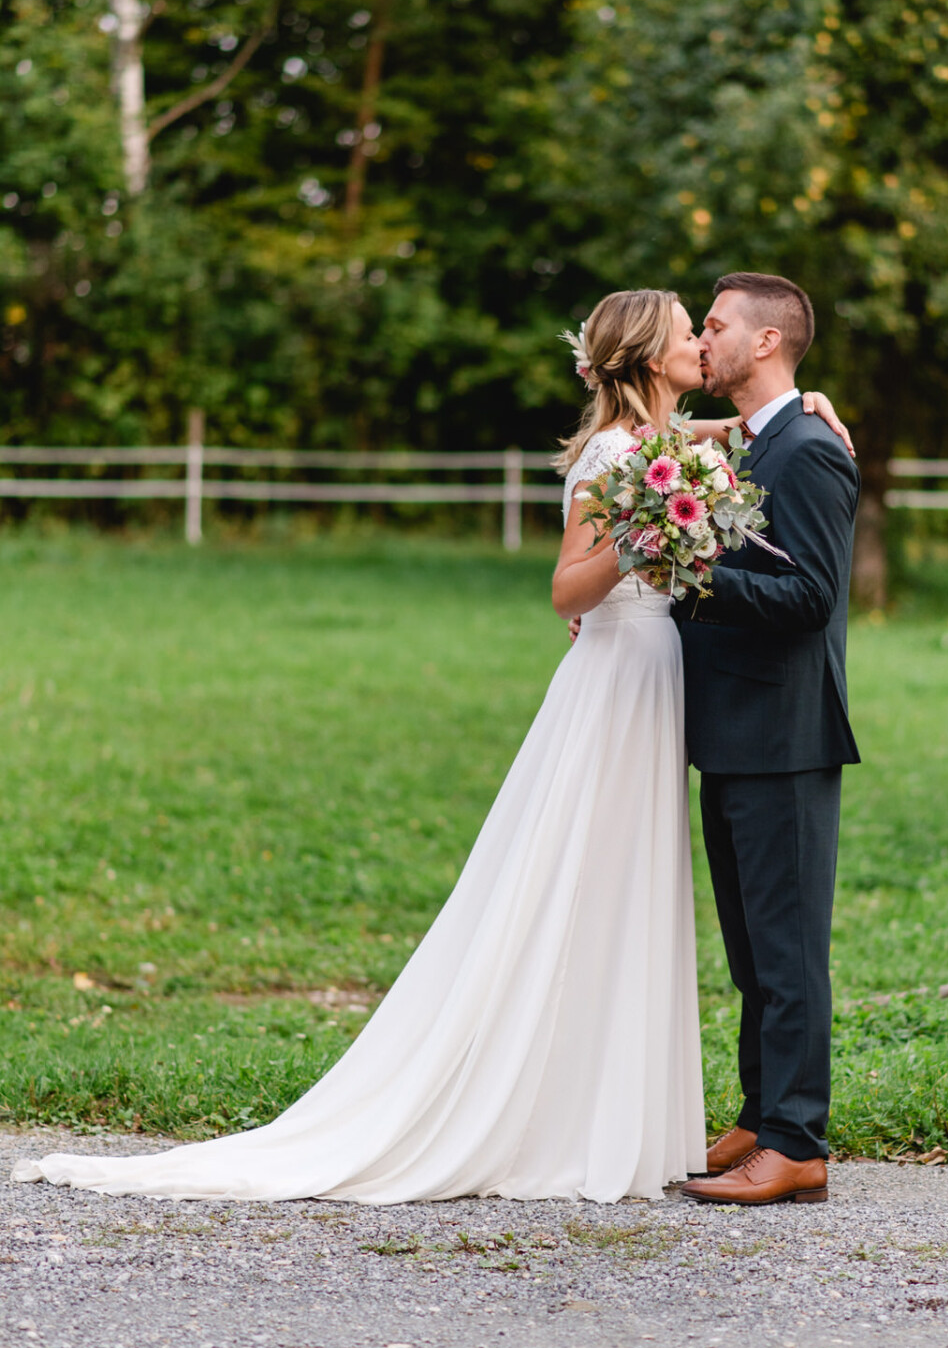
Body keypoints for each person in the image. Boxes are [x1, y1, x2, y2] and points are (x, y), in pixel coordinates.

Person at [11, 287, 847, 1207]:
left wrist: (807, 407)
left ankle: (737, 1120)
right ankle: (624, 1109)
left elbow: (748, 458)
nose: (702, 340)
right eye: (693, 329)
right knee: (603, 883)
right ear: (654, 357)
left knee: (667, 898)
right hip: (627, 683)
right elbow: (572, 587)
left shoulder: (704, 442)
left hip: (677, 691)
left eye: (712, 326)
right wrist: (654, 539)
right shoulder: (622, 456)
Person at [674, 273, 860, 1208]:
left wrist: (692, 572)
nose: (702, 339)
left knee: (787, 953)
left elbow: (813, 597)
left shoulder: (809, 451)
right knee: (751, 952)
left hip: (785, 734)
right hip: (732, 730)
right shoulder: (751, 441)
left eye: (714, 325)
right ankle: (758, 1114)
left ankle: (797, 1143)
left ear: (766, 344)